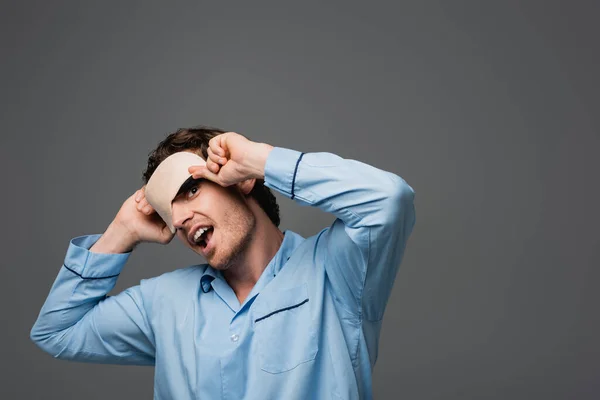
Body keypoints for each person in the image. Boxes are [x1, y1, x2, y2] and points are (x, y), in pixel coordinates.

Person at [30, 126, 416, 399]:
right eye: (169, 212)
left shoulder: (336, 272)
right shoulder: (163, 302)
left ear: (240, 181)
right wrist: (122, 231)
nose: (179, 220)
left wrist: (260, 160)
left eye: (191, 190)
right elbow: (56, 332)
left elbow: (388, 200)